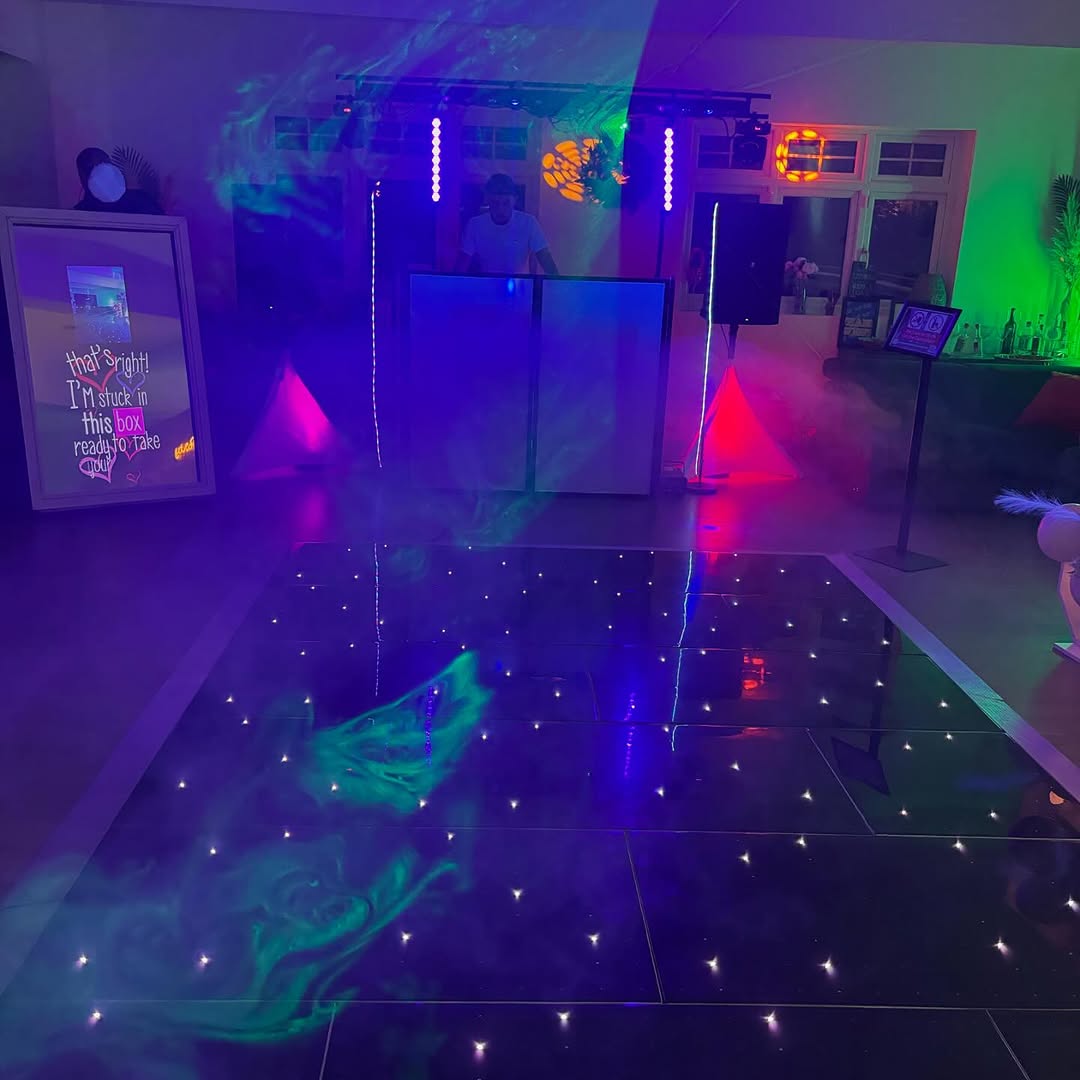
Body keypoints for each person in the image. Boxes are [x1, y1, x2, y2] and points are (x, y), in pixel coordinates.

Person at [455, 174, 557, 275]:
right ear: (487, 200)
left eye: (506, 203)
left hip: (521, 283)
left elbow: (545, 257)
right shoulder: (475, 225)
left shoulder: (529, 223)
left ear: (514, 200)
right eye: (495, 203)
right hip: (488, 282)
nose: (500, 209)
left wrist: (558, 283)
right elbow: (463, 260)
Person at [73, 147, 163, 214]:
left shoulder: (140, 200)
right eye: (88, 168)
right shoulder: (77, 214)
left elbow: (162, 226)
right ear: (81, 176)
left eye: (103, 164)